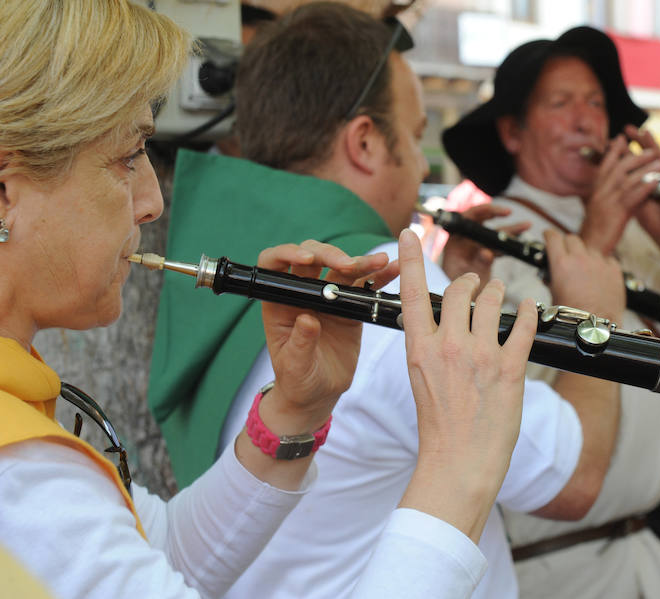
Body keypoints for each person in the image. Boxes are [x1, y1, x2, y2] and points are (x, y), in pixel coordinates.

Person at [0, 2, 544, 598]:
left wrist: (294, 412)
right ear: (4, 195)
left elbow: (160, 553)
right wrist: (456, 470)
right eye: (128, 158)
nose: (151, 202)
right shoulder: (20, 481)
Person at [148, 4, 626, 598]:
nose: (423, 162)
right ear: (367, 142)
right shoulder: (377, 284)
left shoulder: (241, 250)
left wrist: (446, 288)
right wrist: (599, 316)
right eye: (415, 134)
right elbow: (572, 478)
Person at [441, 26, 660, 599]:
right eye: (561, 102)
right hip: (555, 569)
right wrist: (592, 243)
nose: (586, 120)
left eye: (596, 103)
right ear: (512, 132)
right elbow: (512, 403)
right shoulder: (490, 239)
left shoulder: (642, 239)